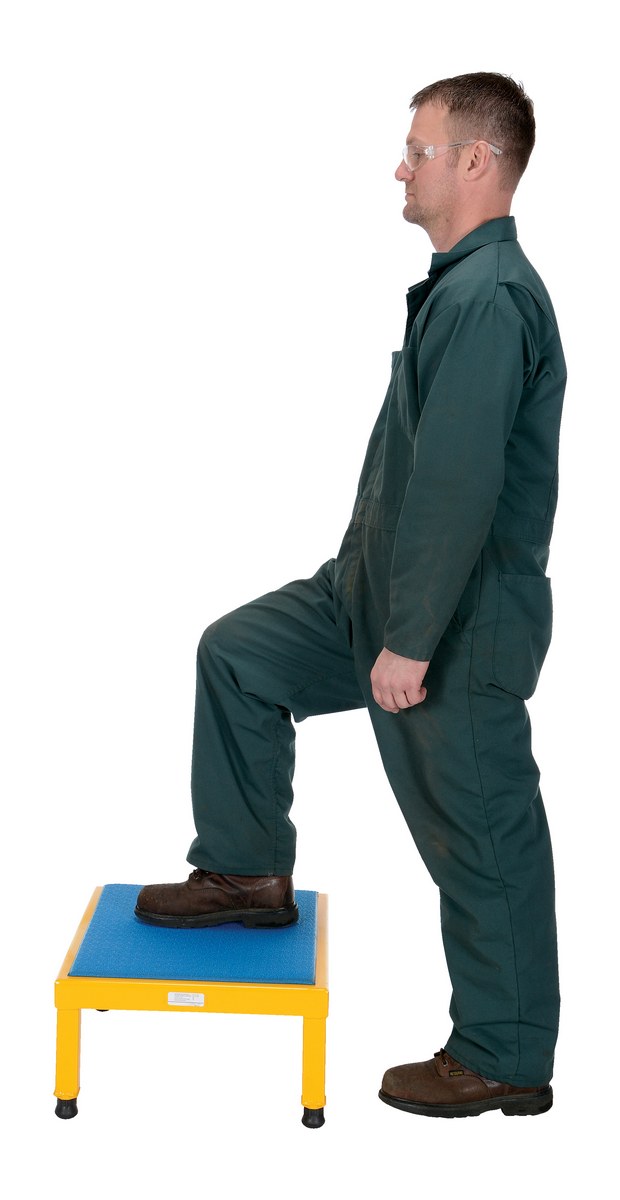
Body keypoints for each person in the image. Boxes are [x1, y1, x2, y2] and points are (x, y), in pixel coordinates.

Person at [136, 72, 566, 1119]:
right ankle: (245, 873)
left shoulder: (488, 298)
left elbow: (458, 487)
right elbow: (412, 475)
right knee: (239, 655)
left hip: (451, 625)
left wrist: (409, 639)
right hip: (364, 592)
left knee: (479, 833)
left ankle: (504, 1055)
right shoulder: (455, 287)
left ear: (475, 161)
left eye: (418, 150)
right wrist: (358, 589)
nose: (399, 167)